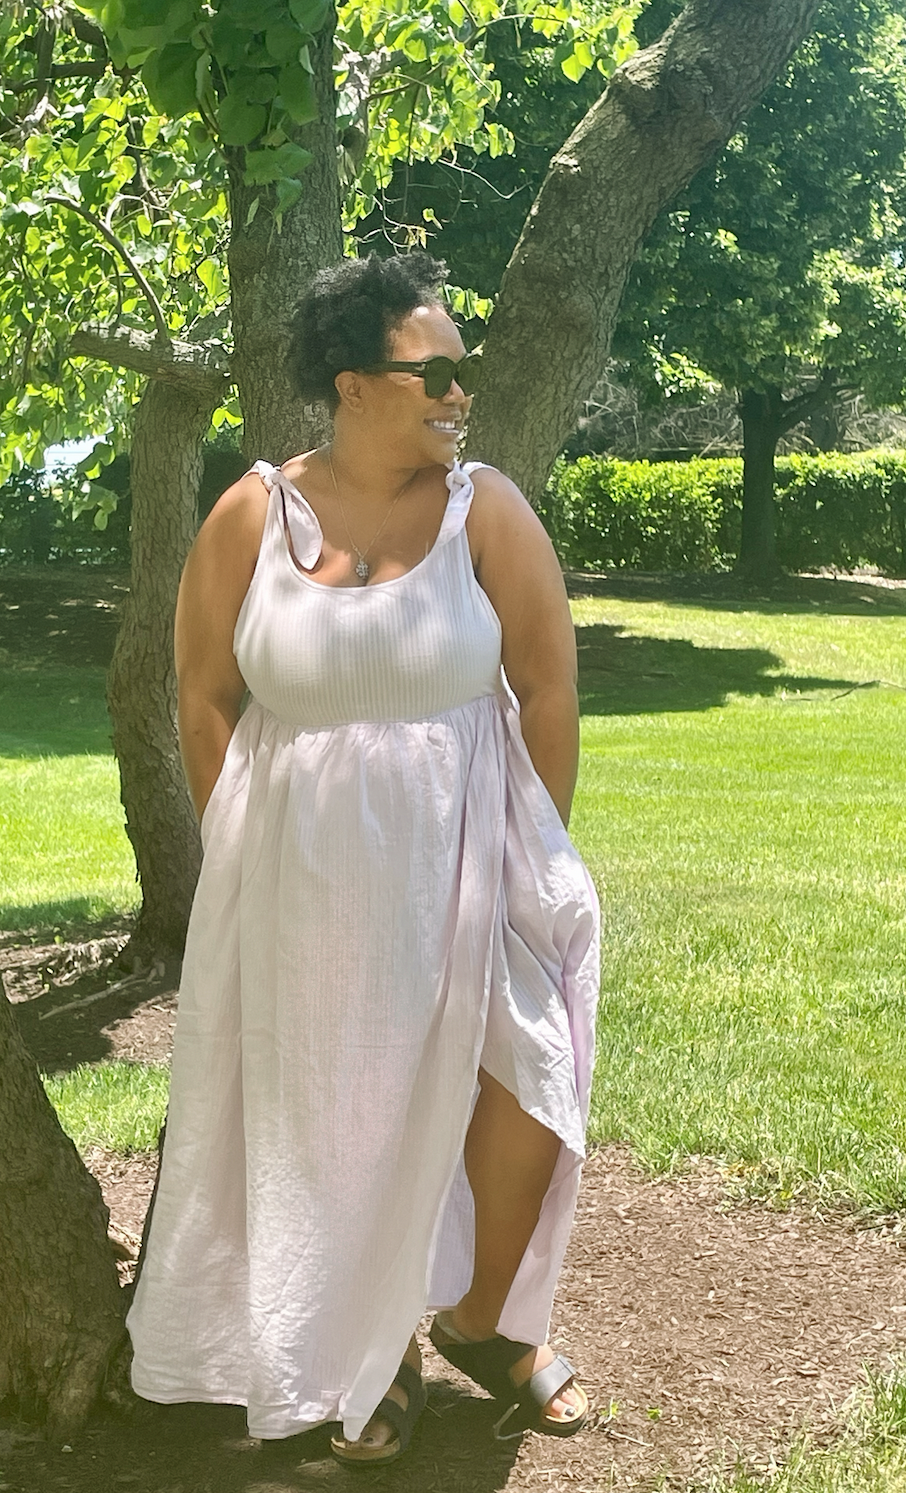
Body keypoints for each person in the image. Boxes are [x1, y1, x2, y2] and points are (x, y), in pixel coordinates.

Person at [126, 252, 600, 1464]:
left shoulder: (482, 508)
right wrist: (244, 845)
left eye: (464, 373)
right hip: (308, 883)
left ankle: (482, 1319)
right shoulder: (253, 516)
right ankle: (372, 1351)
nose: (458, 396)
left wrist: (525, 853)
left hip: (470, 860)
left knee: (528, 1082)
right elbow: (202, 694)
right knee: (342, 1112)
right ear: (351, 384)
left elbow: (546, 689)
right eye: (432, 373)